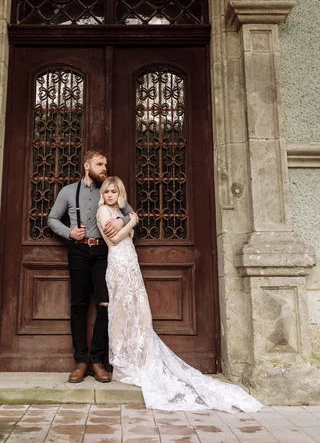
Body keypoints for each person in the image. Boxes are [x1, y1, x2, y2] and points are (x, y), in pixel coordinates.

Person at [96, 176, 263, 413]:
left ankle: (138, 360)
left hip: (130, 262)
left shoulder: (119, 211)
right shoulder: (103, 210)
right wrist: (132, 223)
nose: (110, 195)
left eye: (114, 191)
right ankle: (124, 366)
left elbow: (125, 232)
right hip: (118, 264)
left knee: (139, 313)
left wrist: (128, 220)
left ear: (119, 193)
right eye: (107, 191)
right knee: (122, 312)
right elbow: (114, 238)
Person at [47, 150, 135, 384]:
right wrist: (69, 233)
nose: (104, 168)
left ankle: (97, 361)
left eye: (105, 164)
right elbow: (52, 219)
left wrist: (121, 220)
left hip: (103, 253)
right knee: (78, 305)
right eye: (100, 164)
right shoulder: (68, 192)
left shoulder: (108, 190)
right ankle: (81, 361)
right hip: (78, 251)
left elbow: (132, 214)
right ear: (87, 166)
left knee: (105, 305)